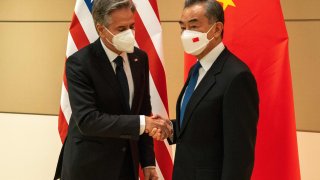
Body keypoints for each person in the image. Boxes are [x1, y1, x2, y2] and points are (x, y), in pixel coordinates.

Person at [54, 0, 172, 179]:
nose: (130, 33)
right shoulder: (80, 63)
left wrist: (147, 162)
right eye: (121, 29)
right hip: (89, 167)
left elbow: (143, 110)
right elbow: (88, 120)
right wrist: (143, 123)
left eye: (132, 26)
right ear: (101, 30)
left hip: (126, 166)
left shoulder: (139, 59)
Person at [150, 0, 259, 179]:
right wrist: (171, 127)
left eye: (193, 26)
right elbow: (204, 123)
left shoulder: (237, 76)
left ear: (216, 29)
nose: (186, 34)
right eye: (183, 27)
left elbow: (239, 154)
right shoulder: (197, 69)